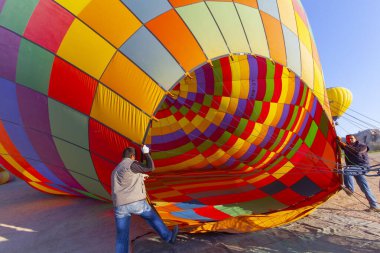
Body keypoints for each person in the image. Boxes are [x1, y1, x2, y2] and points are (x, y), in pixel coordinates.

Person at [111, 145, 178, 253]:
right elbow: (150, 167)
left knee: (121, 236)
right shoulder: (132, 164)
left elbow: (125, 180)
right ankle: (168, 237)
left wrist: (141, 176)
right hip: (135, 203)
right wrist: (146, 153)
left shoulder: (116, 170)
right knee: (152, 217)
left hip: (120, 206)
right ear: (132, 156)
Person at [337, 134, 380, 212]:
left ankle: (350, 189)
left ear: (355, 139)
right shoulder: (347, 146)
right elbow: (341, 145)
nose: (350, 140)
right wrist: (338, 141)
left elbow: (357, 151)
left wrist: (344, 145)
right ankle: (374, 205)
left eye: (351, 138)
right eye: (348, 139)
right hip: (355, 169)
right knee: (365, 188)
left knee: (347, 170)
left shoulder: (363, 146)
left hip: (363, 167)